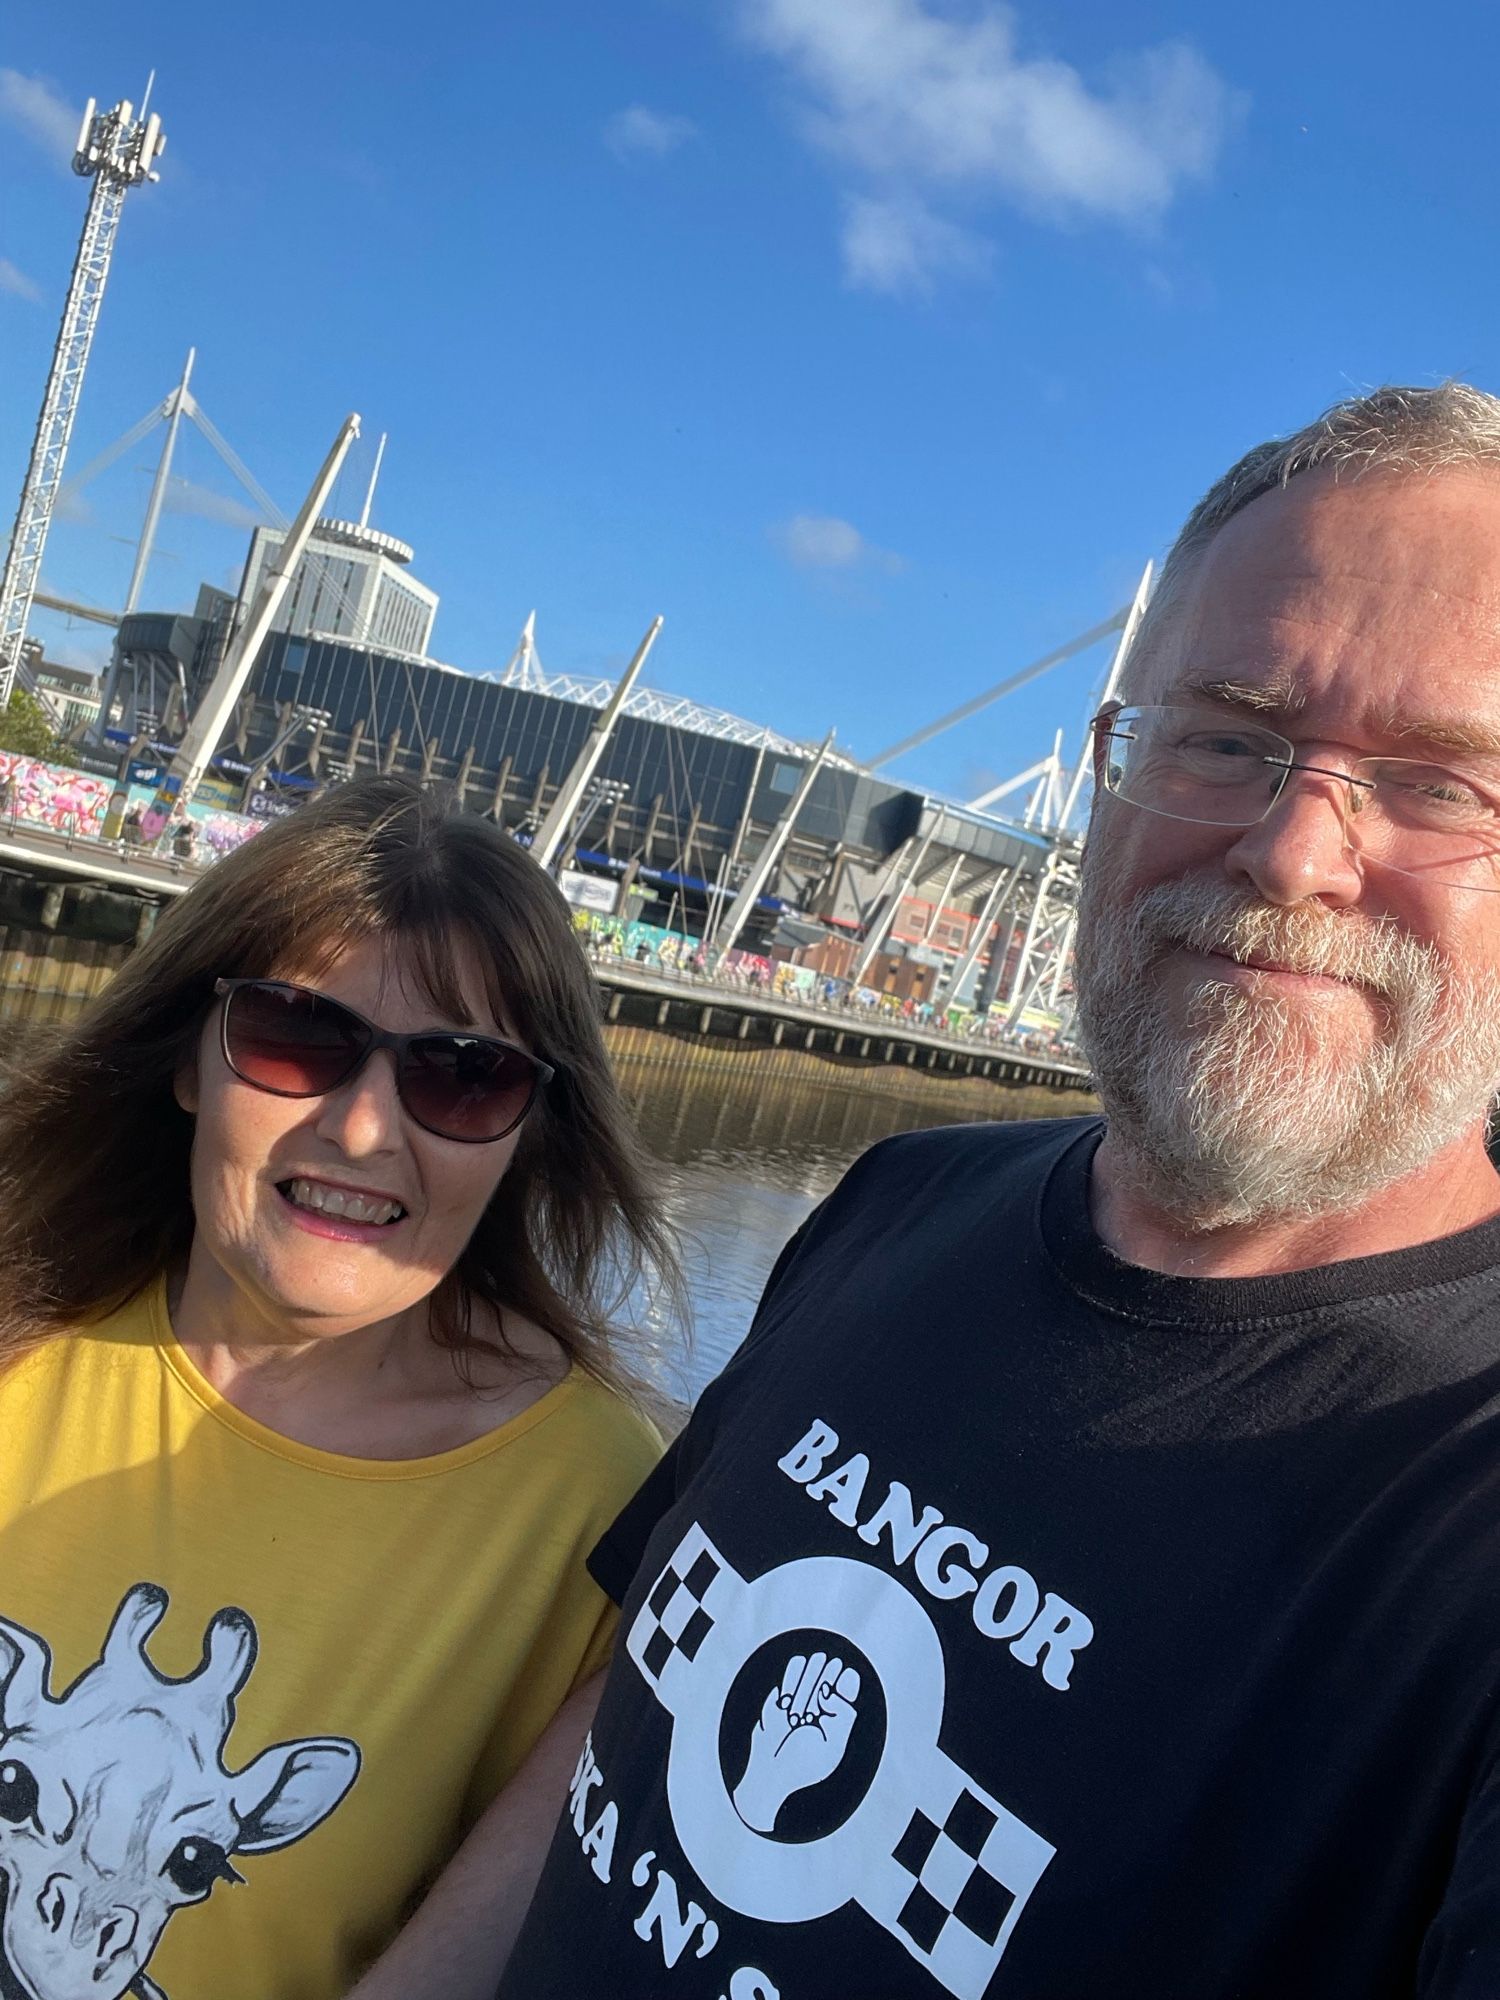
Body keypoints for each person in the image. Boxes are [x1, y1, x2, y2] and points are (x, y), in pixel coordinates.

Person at [339, 383, 1500, 2000]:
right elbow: (615, 1747)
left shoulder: (1458, 1520)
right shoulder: (900, 1204)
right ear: (1110, 773)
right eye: (1227, 736)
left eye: (1444, 783)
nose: (1295, 854)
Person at [0, 774, 675, 2000]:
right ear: (191, 1061)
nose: (364, 1129)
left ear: (529, 1128)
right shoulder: (20, 1339)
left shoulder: (598, 1519)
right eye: (295, 1036)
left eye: (463, 1075)